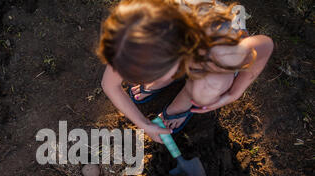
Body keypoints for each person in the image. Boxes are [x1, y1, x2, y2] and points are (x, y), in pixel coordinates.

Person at [98, 0, 273, 142]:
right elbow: (109, 84)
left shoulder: (220, 52)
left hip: (216, 45)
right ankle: (161, 82)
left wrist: (235, 92)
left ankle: (183, 101)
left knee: (208, 87)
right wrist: (144, 124)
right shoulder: (133, 34)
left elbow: (265, 45)